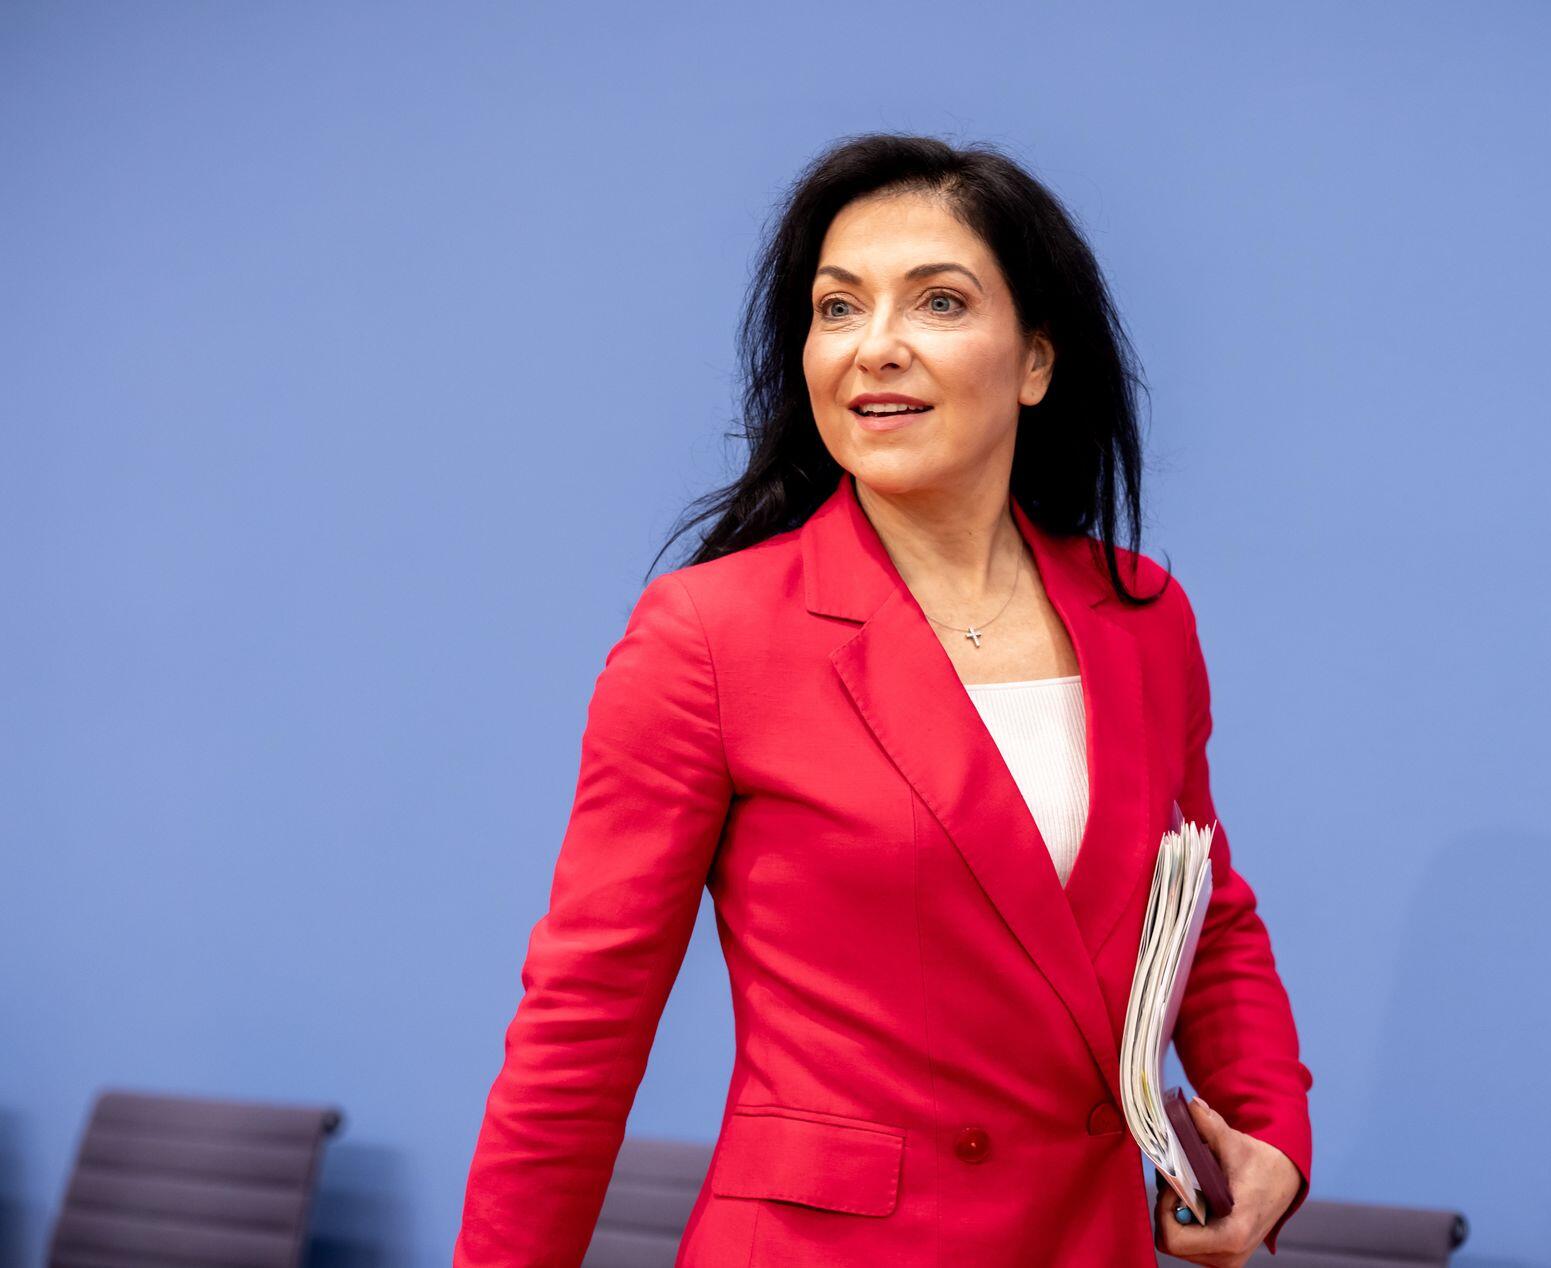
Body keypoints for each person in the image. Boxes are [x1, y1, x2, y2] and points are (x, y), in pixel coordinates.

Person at [452, 133, 1313, 1268]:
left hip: (1086, 1240)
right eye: (838, 307)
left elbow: (1199, 910)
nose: (876, 347)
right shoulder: (709, 633)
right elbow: (582, 1024)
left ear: (1036, 360)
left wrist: (1268, 1130)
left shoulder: (1143, 616)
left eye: (938, 302)